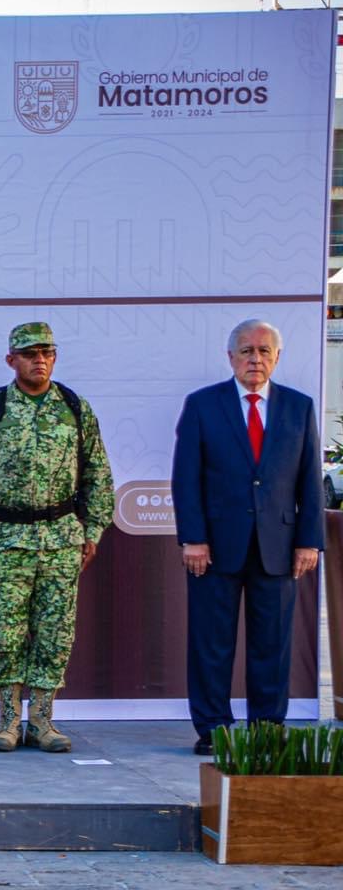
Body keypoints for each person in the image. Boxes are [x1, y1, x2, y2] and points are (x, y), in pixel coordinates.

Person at [0, 322, 114, 754]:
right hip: (6, 539)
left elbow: (99, 476)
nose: (40, 360)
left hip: (60, 539)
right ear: (11, 360)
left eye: (47, 352)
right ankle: (8, 722)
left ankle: (42, 721)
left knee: (55, 634)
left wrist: (91, 532)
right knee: (7, 634)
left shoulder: (74, 408)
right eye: (30, 353)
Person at [171, 319, 324, 756]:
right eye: (246, 350)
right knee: (211, 643)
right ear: (230, 357)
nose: (255, 359)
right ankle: (213, 729)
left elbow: (310, 480)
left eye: (263, 351)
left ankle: (267, 730)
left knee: (272, 646)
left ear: (277, 358)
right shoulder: (203, 405)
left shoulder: (299, 407)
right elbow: (186, 478)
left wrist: (308, 541)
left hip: (278, 548)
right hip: (214, 549)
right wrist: (193, 538)